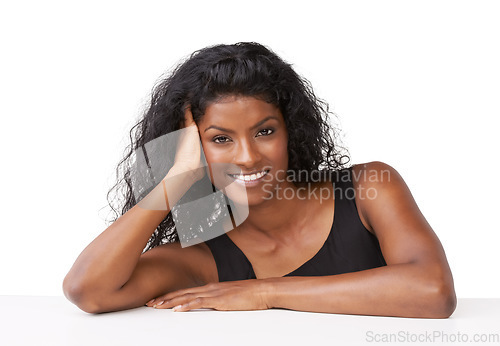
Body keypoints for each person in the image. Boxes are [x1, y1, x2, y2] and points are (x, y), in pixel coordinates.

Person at [63, 42, 456, 318]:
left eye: (265, 131)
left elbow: (433, 292)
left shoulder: (369, 187)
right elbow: (87, 291)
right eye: (220, 139)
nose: (248, 156)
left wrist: (264, 291)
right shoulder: (204, 257)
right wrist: (175, 179)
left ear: (292, 130)